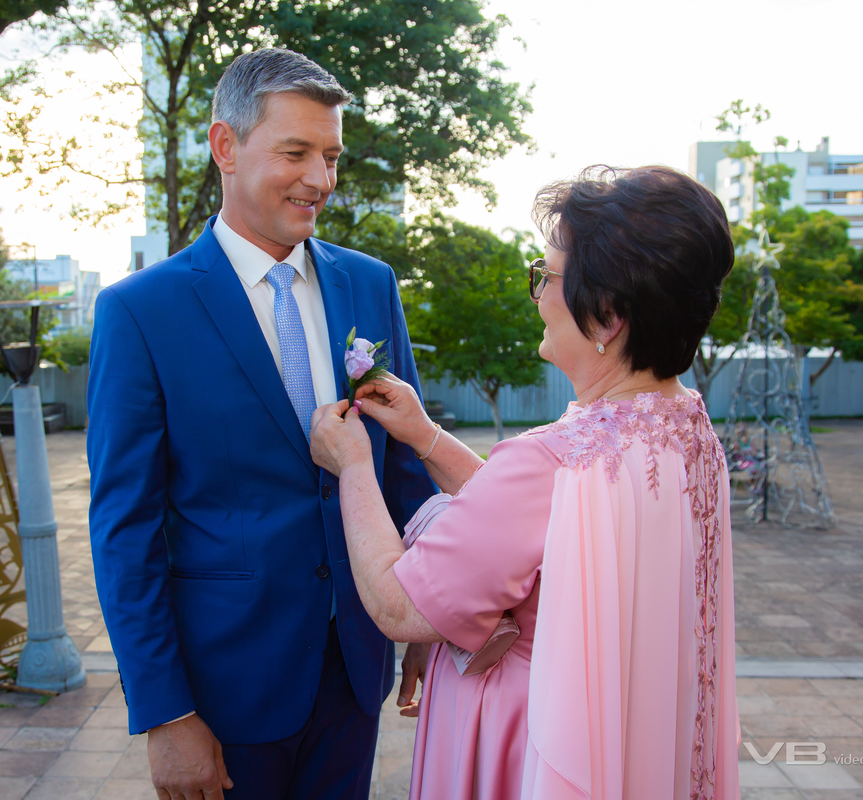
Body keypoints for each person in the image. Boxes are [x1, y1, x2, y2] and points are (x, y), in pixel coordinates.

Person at [310, 165, 741, 799]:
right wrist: (425, 436)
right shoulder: (688, 432)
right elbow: (545, 526)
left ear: (607, 316)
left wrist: (351, 466)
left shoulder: (550, 460)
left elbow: (401, 605)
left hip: (527, 732)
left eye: (545, 276)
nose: (536, 294)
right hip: (632, 730)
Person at [86, 49, 436, 800]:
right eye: (296, 152)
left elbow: (403, 467)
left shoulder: (370, 284)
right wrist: (165, 711)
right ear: (225, 146)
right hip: (223, 689)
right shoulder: (140, 313)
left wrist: (420, 617)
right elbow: (126, 528)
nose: (321, 178)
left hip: (355, 668)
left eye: (332, 155)